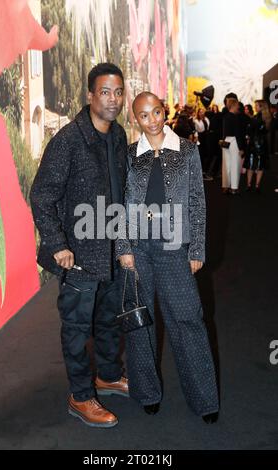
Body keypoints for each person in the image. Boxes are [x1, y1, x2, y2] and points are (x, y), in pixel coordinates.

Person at [30, 63, 129, 428]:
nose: (113, 99)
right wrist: (57, 244)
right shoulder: (69, 140)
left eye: (118, 91)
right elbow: (41, 196)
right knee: (76, 328)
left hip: (113, 251)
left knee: (107, 322)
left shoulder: (117, 136)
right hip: (80, 257)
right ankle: (80, 395)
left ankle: (107, 374)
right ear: (90, 95)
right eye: (105, 91)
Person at [116, 92, 219, 424]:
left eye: (157, 112)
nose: (153, 120)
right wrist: (124, 247)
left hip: (175, 249)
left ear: (164, 111)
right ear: (137, 120)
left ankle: (205, 400)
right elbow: (122, 205)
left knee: (188, 320)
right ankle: (146, 393)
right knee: (140, 322)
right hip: (139, 249)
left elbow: (197, 203)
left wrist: (197, 249)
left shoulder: (187, 151)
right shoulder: (130, 155)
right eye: (144, 116)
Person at [244, 100, 272, 193]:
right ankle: (256, 185)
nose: (255, 107)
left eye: (256, 105)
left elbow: (250, 129)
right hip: (262, 144)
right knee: (259, 166)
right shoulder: (267, 118)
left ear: (261, 107)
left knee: (251, 165)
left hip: (254, 144)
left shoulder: (256, 118)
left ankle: (249, 185)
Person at [222, 98, 245, 194]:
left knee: (226, 165)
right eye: (237, 105)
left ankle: (225, 186)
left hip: (226, 141)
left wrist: (223, 141)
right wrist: (241, 148)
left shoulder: (225, 117)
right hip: (234, 141)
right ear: (234, 105)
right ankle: (234, 188)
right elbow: (238, 133)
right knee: (235, 164)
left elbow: (223, 131)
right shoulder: (236, 118)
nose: (238, 107)